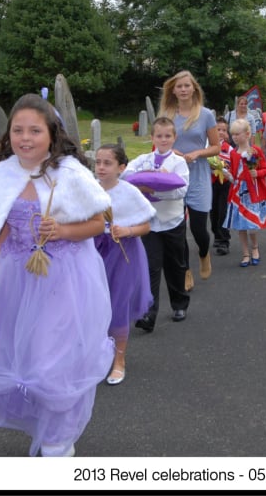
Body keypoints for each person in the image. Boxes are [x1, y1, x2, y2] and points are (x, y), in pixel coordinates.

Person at [0, 93, 114, 458]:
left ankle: (59, 440)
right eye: (18, 130)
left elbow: (99, 222)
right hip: (15, 278)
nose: (25, 138)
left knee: (51, 360)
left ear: (52, 135)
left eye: (34, 131)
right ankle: (41, 423)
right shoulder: (3, 174)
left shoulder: (70, 174)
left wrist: (63, 231)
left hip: (63, 278)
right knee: (20, 356)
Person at [93, 144, 156, 385]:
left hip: (123, 254)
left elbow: (146, 226)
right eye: (98, 162)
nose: (100, 167)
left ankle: (119, 359)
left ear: (121, 167)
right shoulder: (90, 190)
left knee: (118, 305)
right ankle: (94, 355)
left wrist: (127, 229)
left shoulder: (129, 192)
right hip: (94, 252)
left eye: (107, 163)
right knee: (94, 305)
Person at [123, 117, 191, 330]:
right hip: (151, 223)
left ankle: (179, 303)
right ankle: (148, 315)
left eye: (168, 136)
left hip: (172, 222)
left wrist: (158, 188)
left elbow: (182, 189)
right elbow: (127, 174)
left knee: (175, 265)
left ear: (174, 137)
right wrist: (147, 177)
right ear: (152, 137)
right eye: (159, 136)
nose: (163, 140)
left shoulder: (178, 162)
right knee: (151, 268)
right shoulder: (144, 160)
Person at [159, 70, 219, 290]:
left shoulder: (205, 115)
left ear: (194, 88)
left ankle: (204, 253)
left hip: (198, 175)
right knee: (177, 228)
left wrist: (197, 153)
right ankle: (185, 270)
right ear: (173, 90)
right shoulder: (166, 114)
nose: (183, 90)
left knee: (199, 229)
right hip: (174, 175)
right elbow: (158, 143)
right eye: (179, 86)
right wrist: (170, 151)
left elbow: (216, 146)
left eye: (187, 86)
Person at [225, 118, 266, 267]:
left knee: (252, 224)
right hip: (238, 192)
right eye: (232, 134)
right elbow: (234, 174)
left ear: (247, 134)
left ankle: (255, 249)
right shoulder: (233, 153)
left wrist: (257, 173)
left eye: (237, 134)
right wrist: (227, 175)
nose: (234, 137)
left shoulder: (255, 151)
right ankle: (245, 253)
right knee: (241, 225)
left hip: (252, 191)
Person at [209, 117, 233, 256]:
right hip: (211, 182)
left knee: (223, 211)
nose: (221, 132)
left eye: (224, 130)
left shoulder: (229, 149)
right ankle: (217, 235)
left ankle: (225, 240)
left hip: (225, 183)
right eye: (218, 129)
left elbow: (232, 164)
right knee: (213, 211)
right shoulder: (209, 147)